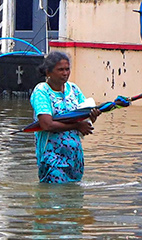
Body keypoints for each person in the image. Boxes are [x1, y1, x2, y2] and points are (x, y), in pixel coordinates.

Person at [30, 50, 100, 183]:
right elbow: (46, 124)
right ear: (48, 72)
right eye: (60, 69)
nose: (65, 73)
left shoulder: (73, 89)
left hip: (75, 156)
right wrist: (77, 126)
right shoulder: (42, 92)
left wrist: (92, 116)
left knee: (73, 199)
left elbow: (84, 118)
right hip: (51, 157)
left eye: (67, 69)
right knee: (55, 198)